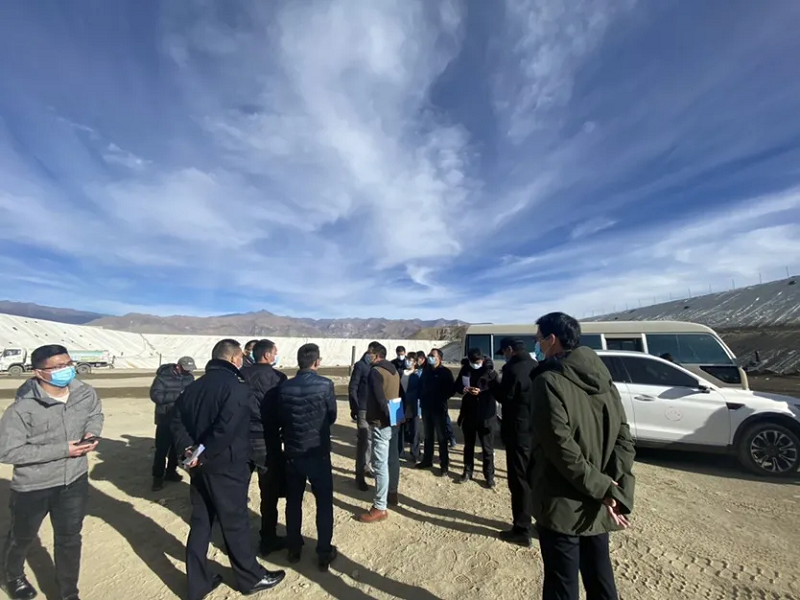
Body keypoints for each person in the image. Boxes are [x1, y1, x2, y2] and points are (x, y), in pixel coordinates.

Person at [530, 312, 635, 600]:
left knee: (562, 585)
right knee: (600, 580)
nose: (536, 345)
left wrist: (604, 488)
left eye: (538, 339)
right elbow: (624, 439)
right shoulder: (605, 380)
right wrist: (613, 488)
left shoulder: (548, 381)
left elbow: (560, 448)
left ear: (552, 340)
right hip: (598, 501)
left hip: (562, 502)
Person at [171, 339, 285, 600]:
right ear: (235, 359)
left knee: (201, 523)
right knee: (235, 522)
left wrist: (189, 450)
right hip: (226, 466)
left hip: (199, 467)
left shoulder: (194, 386)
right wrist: (203, 453)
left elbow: (176, 420)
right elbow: (227, 428)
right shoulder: (236, 387)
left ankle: (198, 584)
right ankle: (251, 578)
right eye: (240, 357)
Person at [0, 344, 104, 600]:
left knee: (69, 538)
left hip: (74, 480)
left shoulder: (85, 393)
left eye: (68, 364)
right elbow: (7, 452)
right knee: (22, 536)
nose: (66, 370)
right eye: (58, 367)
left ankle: (69, 593)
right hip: (34, 485)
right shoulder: (22, 408)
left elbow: (95, 414)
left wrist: (92, 432)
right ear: (39, 372)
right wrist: (63, 450)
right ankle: (12, 575)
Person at [277, 343, 338, 571]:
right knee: (324, 503)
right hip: (317, 452)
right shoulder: (325, 385)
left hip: (293, 452)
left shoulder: (285, 387)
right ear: (317, 362)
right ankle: (324, 551)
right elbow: (331, 415)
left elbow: (282, 416)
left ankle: (294, 547)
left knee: (293, 501)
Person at [240, 339, 288, 556]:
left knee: (238, 492)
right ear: (268, 355)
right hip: (268, 440)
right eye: (275, 352)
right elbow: (283, 409)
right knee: (269, 493)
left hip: (242, 439)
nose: (276, 356)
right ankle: (268, 538)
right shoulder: (279, 378)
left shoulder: (241, 375)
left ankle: (237, 540)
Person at [492, 337, 538, 547]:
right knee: (534, 478)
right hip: (535, 430)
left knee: (519, 481)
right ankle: (541, 522)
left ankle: (522, 529)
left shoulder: (513, 369)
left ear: (510, 350)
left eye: (504, 352)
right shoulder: (535, 365)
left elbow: (505, 396)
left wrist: (494, 382)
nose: (505, 356)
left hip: (517, 431)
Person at [359, 343, 401, 523]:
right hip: (394, 418)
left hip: (381, 422)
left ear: (376, 355)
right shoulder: (393, 370)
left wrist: (387, 418)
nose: (367, 355)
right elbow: (399, 393)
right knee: (393, 458)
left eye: (370, 353)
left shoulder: (375, 372)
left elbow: (379, 399)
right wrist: (398, 416)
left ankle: (379, 507)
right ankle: (392, 492)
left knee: (380, 463)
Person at [149, 355, 196, 491]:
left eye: (190, 369)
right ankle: (157, 478)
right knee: (161, 451)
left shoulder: (189, 378)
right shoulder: (162, 378)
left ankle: (171, 472)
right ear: (178, 366)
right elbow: (156, 396)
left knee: (176, 449)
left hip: (180, 420)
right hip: (165, 419)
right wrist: (178, 395)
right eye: (185, 369)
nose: (188, 371)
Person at [456, 348, 498, 488]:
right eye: (473, 362)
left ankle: (489, 476)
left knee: (487, 448)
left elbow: (497, 391)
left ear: (482, 359)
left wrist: (481, 392)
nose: (476, 364)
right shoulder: (465, 369)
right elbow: (457, 385)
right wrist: (464, 389)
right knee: (469, 445)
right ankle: (467, 471)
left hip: (486, 415)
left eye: (478, 361)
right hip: (469, 413)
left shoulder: (490, 371)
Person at [416, 348, 455, 477]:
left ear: (440, 358)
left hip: (439, 409)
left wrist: (440, 398)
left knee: (442, 438)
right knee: (428, 436)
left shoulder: (445, 372)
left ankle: (444, 465)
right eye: (429, 355)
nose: (429, 357)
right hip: (426, 408)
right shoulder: (426, 371)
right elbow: (421, 386)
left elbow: (451, 390)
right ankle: (427, 460)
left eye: (432, 355)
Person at [348, 341, 380, 491]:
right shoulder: (360, 366)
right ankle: (359, 476)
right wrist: (354, 406)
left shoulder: (376, 366)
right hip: (362, 408)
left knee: (371, 441)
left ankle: (367, 466)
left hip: (374, 409)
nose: (371, 355)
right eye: (370, 352)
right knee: (363, 442)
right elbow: (353, 387)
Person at [401, 352, 425, 463]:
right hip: (402, 404)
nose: (408, 362)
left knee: (415, 430)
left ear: (415, 362)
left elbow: (421, 391)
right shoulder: (401, 373)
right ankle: (400, 451)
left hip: (415, 405)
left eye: (410, 360)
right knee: (401, 429)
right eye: (407, 359)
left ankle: (415, 453)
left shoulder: (419, 374)